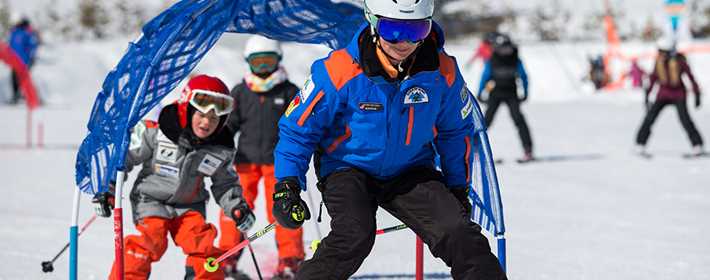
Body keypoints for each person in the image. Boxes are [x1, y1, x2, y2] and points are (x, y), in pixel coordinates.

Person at [270, 0, 508, 279]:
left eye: (416, 29)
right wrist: (287, 185)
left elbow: (454, 132)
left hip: (410, 169)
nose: (403, 41)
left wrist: (458, 187)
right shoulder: (339, 71)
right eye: (393, 29)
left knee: (458, 231)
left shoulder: (442, 72)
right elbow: (298, 129)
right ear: (373, 22)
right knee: (355, 234)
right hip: (348, 167)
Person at [92, 75, 256, 280]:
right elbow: (125, 158)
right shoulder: (158, 132)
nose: (207, 123)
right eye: (202, 115)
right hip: (150, 200)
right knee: (150, 241)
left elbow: (225, 183)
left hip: (189, 206)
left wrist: (236, 207)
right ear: (186, 108)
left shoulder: (219, 149)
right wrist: (108, 187)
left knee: (203, 246)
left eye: (215, 119)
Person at [219, 35, 301, 279]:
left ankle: (290, 259)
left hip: (279, 163)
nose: (263, 69)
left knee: (283, 208)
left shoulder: (289, 91)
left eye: (268, 62)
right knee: (235, 208)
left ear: (278, 60)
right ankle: (227, 255)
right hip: (245, 162)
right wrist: (218, 143)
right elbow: (229, 125)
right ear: (248, 62)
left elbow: (300, 123)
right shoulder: (241, 91)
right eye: (258, 63)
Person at [635, 37, 705, 156]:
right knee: (649, 118)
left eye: (662, 51)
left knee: (685, 120)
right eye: (659, 51)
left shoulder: (680, 61)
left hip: (679, 95)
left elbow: (690, 78)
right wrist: (647, 95)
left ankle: (697, 145)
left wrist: (697, 94)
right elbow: (653, 78)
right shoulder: (659, 62)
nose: (660, 54)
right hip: (662, 95)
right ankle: (640, 144)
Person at [477, 33, 534, 161]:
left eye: (507, 48)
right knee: (485, 122)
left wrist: (525, 92)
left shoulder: (515, 59)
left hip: (511, 93)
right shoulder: (492, 59)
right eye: (502, 48)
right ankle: (475, 150)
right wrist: (480, 92)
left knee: (518, 120)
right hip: (495, 93)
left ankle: (528, 150)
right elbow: (485, 77)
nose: (505, 51)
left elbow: (523, 76)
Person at [6, 17, 39, 104]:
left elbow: (33, 46)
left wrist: (32, 57)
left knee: (22, 78)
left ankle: (27, 96)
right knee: (16, 78)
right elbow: (10, 46)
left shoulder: (26, 33)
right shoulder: (16, 32)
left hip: (23, 61)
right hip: (16, 60)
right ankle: (17, 96)